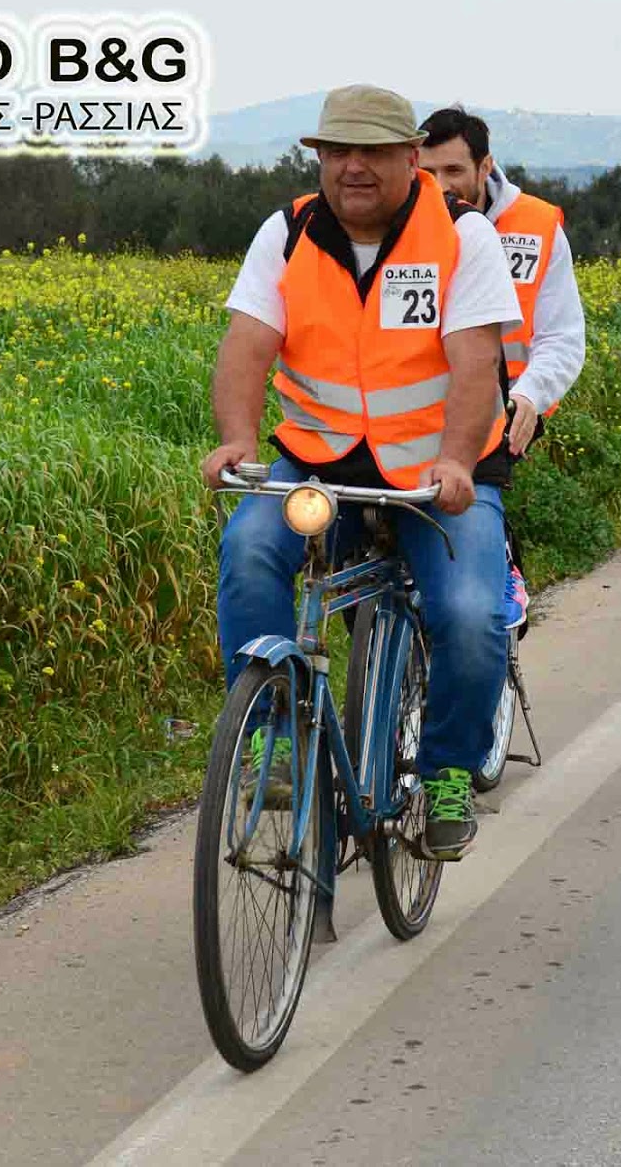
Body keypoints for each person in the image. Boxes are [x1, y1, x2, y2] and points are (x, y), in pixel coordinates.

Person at [202, 84, 524, 861]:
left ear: (409, 159)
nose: (352, 167)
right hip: (317, 457)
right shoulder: (286, 233)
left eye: (372, 153)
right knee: (249, 553)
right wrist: (237, 441)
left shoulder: (461, 234)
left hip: (435, 473)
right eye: (336, 152)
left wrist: (454, 460)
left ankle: (446, 772)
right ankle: (272, 738)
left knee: (473, 615)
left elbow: (475, 363)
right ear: (317, 159)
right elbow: (248, 343)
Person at [418, 105, 586, 629]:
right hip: (419, 399)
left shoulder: (536, 227)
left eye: (453, 172)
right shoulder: (409, 222)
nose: (440, 187)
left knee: (473, 497)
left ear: (486, 166)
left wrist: (532, 395)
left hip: (512, 403)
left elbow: (562, 335)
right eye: (426, 174)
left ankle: (502, 563)